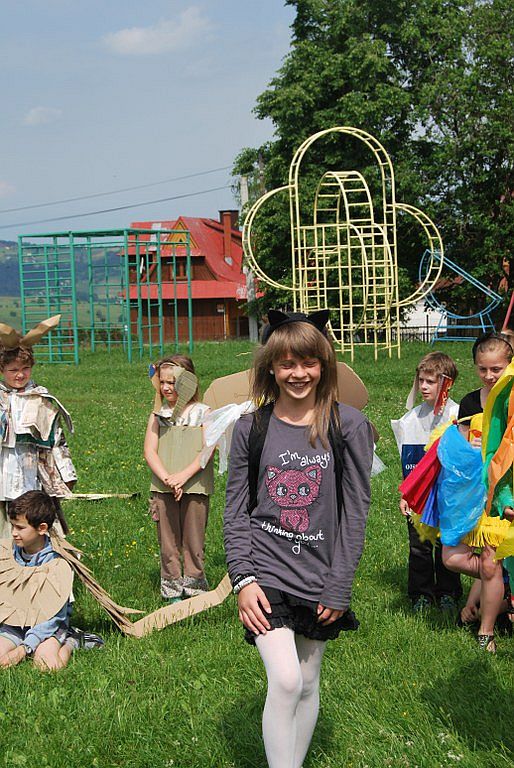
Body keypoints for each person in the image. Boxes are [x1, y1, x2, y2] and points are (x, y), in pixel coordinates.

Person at [223, 309, 373, 768]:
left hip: (321, 576)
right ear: (271, 367)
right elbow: (235, 510)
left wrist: (339, 584)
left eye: (308, 362)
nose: (298, 373)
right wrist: (242, 578)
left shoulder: (349, 426)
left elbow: (355, 514)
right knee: (286, 680)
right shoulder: (251, 428)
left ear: (324, 365)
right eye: (287, 363)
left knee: (307, 681)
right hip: (265, 571)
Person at [442, 332, 513, 650]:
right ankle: (500, 592)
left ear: (509, 365)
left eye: (496, 369)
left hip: (504, 491)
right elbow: (461, 445)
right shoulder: (470, 402)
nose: (489, 375)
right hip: (474, 492)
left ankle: (486, 632)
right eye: (483, 369)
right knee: (453, 558)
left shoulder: (511, 399)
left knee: (489, 559)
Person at [392, 351, 462, 612]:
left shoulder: (459, 416)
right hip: (420, 497)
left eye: (430, 382)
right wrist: (406, 495)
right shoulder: (411, 420)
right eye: (421, 380)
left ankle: (448, 593)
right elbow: (409, 463)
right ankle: (421, 593)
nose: (423, 386)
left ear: (447, 383)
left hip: (449, 495)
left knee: (447, 543)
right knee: (419, 546)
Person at [0, 491, 99, 671]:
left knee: (46, 666)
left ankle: (72, 641)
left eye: (20, 528)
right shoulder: (10, 554)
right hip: (15, 623)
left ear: (42, 528)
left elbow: (55, 615)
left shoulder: (57, 562)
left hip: (49, 625)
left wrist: (24, 649)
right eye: (12, 526)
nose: (14, 533)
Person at [144, 355, 214, 602]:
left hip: (195, 486)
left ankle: (195, 586)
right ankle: (172, 587)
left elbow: (208, 449)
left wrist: (183, 477)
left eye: (172, 383)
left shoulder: (203, 413)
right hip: (164, 487)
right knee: (168, 540)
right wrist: (168, 479)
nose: (166, 387)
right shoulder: (158, 414)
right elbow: (150, 451)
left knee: (194, 538)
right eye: (162, 382)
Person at [0, 320, 77, 538]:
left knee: (34, 517)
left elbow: (56, 440)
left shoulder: (41, 399)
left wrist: (67, 472)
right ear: (2, 369)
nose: (20, 375)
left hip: (32, 471)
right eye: (13, 370)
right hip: (3, 470)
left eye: (25, 369)